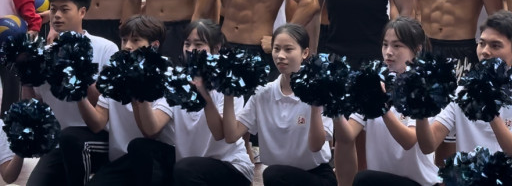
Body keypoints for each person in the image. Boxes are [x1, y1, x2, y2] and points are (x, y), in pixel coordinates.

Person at [129, 19, 253, 186]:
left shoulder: (228, 82)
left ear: (216, 49)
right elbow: (152, 129)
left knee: (185, 168)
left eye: (198, 44)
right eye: (187, 44)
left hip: (230, 166)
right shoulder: (176, 80)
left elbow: (220, 134)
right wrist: (142, 96)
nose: (190, 49)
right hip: (189, 165)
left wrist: (203, 94)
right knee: (140, 147)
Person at [415, 11, 512, 156]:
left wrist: (491, 112)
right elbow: (428, 146)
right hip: (467, 171)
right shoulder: (461, 91)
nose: (485, 51)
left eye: (495, 46)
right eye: (481, 44)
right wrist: (420, 107)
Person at [27, 0, 118, 186]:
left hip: (98, 139)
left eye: (65, 9)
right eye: (53, 9)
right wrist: (26, 76)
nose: (57, 15)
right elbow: (34, 106)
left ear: (82, 12)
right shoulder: (44, 54)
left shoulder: (106, 48)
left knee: (72, 140)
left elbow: (106, 106)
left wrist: (78, 70)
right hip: (60, 143)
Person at [222, 24, 336, 186]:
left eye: (288, 49)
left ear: (305, 53)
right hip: (278, 176)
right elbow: (232, 135)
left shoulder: (319, 89)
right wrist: (228, 95)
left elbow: (316, 146)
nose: (281, 55)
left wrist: (314, 107)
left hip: (316, 176)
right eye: (276, 49)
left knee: (273, 174)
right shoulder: (262, 93)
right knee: (273, 174)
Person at [333, 17, 440, 186]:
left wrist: (382, 108)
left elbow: (409, 141)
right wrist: (334, 108)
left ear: (417, 50)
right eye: (385, 45)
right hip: (380, 181)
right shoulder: (375, 84)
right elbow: (347, 136)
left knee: (363, 179)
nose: (388, 52)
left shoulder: (423, 88)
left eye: (397, 46)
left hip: (418, 183)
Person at [76, 15, 168, 186]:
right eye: (124, 40)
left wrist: (139, 93)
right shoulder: (115, 74)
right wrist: (77, 93)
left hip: (153, 163)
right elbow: (97, 123)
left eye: (135, 40)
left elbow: (151, 132)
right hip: (121, 161)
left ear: (154, 46)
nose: (127, 46)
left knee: (139, 147)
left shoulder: (166, 76)